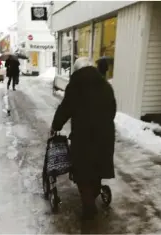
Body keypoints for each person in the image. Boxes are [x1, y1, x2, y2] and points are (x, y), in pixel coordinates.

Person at [50, 57, 116, 220]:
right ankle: (93, 194)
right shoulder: (105, 85)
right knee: (97, 167)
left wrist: (56, 126)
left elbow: (65, 108)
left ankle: (89, 206)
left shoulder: (75, 86)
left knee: (83, 171)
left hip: (84, 137)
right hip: (105, 136)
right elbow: (112, 109)